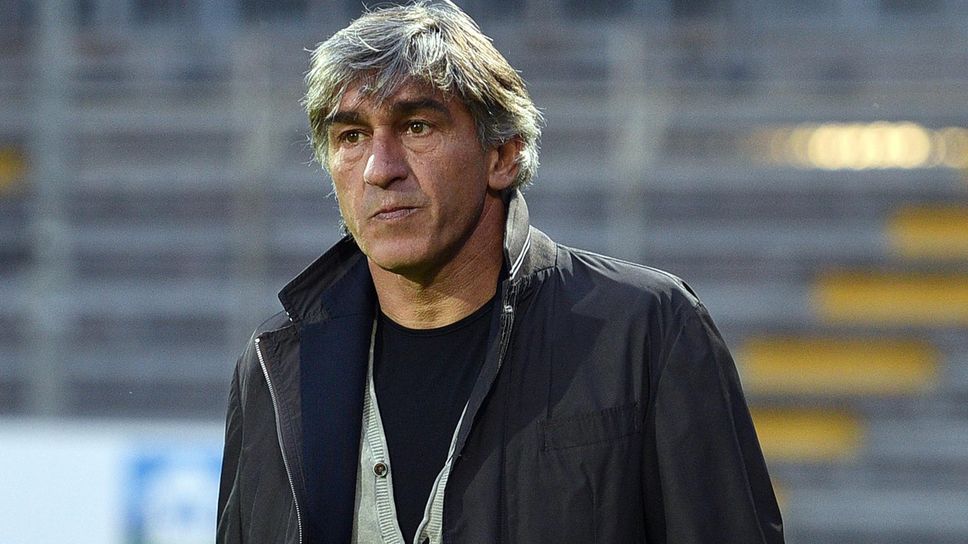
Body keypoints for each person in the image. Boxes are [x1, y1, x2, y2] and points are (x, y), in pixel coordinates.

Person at [216, 1, 784, 543]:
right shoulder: (274, 367)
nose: (379, 169)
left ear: (503, 155)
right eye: (352, 136)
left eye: (417, 126)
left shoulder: (648, 331)